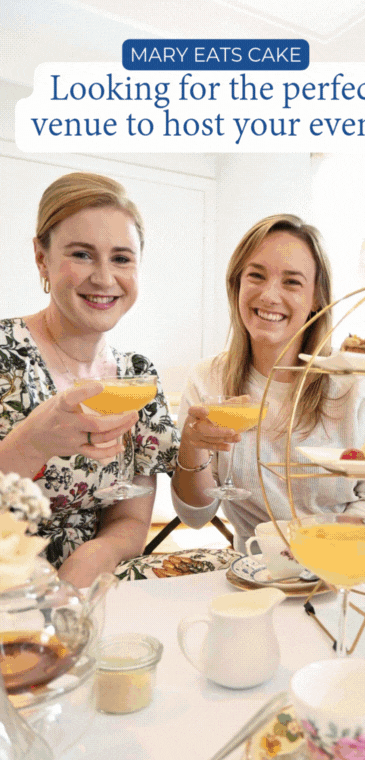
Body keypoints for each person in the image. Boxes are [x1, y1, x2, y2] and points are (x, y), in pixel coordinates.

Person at [171, 214, 365, 553]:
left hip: (341, 562)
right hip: (251, 572)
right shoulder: (208, 379)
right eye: (256, 276)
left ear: (316, 300)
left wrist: (322, 547)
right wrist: (191, 445)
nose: (269, 295)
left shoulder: (356, 384)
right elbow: (195, 515)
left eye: (292, 282)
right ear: (237, 285)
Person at [0, 172, 179, 587]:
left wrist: (94, 556)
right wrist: (30, 444)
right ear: (41, 258)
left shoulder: (137, 376)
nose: (103, 277)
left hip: (94, 579)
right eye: (81, 254)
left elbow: (131, 516)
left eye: (121, 258)